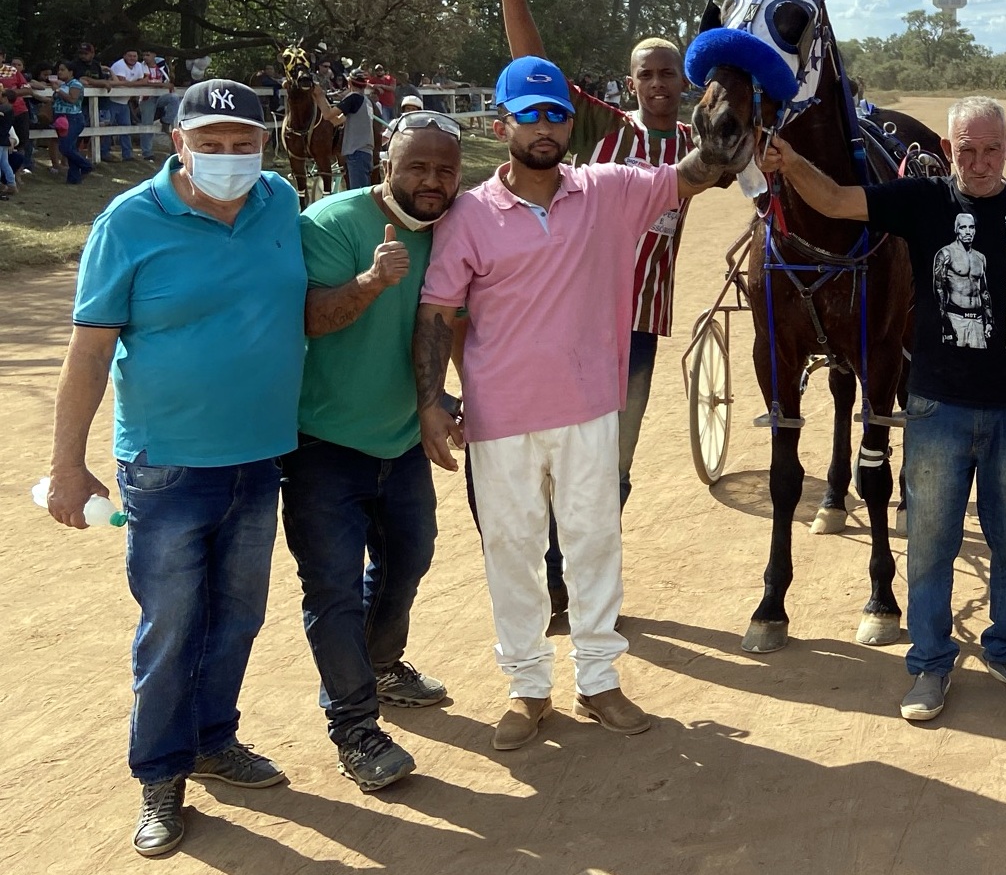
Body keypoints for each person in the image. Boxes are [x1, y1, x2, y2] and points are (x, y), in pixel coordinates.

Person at [412, 55, 741, 751]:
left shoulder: (608, 189)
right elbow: (437, 312)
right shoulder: (468, 215)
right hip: (500, 418)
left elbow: (688, 176)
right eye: (529, 114)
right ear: (501, 124)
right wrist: (431, 401)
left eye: (556, 114)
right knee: (512, 551)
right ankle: (527, 687)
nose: (545, 126)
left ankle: (598, 679)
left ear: (571, 123)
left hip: (590, 407)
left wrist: (717, 139)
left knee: (593, 543)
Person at [758, 95, 1006, 723]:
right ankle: (930, 663)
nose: (979, 162)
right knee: (931, 542)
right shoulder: (924, 200)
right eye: (967, 150)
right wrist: (791, 162)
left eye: (991, 150)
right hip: (937, 408)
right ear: (949, 151)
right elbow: (837, 201)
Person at [46, 79, 305, 857]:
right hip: (165, 466)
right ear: (178, 142)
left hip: (259, 456)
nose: (229, 156)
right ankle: (160, 774)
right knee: (171, 626)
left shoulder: (281, 203)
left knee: (239, 614)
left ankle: (213, 739)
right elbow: (90, 350)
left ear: (264, 143)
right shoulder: (128, 222)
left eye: (243, 143)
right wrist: (67, 465)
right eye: (211, 143)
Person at [496, 0, 700, 628]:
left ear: (685, 81)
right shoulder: (603, 127)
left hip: (638, 325)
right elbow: (533, 69)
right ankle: (557, 579)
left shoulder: (702, 145)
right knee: (558, 449)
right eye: (646, 74)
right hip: (573, 315)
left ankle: (587, 580)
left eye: (668, 73)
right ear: (631, 82)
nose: (657, 83)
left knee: (614, 462)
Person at [280, 110, 465, 791]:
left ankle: (380, 666)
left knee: (408, 559)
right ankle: (355, 727)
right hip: (322, 443)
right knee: (331, 588)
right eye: (417, 166)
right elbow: (308, 317)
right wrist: (369, 282)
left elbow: (448, 322)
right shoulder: (332, 222)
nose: (431, 180)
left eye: (445, 169)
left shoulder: (451, 229)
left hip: (402, 438)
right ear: (386, 162)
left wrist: (446, 398)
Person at [51, 62, 94, 183]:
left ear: (71, 72)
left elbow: (72, 99)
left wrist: (58, 90)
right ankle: (74, 177)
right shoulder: (64, 85)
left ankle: (86, 165)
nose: (59, 72)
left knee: (65, 147)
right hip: (61, 118)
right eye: (59, 70)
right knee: (71, 147)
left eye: (62, 70)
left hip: (72, 118)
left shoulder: (76, 84)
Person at [106, 49, 148, 162]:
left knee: (126, 128)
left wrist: (131, 83)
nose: (132, 58)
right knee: (106, 127)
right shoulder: (119, 65)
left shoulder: (138, 66)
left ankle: (127, 154)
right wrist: (137, 83)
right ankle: (104, 153)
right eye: (130, 56)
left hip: (125, 102)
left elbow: (139, 82)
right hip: (111, 101)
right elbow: (121, 83)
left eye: (135, 56)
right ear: (124, 56)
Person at [338, 72, 375, 191]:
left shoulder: (354, 97)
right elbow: (338, 120)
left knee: (358, 194)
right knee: (364, 192)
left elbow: (329, 115)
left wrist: (319, 97)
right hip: (366, 153)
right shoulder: (367, 102)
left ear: (349, 82)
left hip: (356, 152)